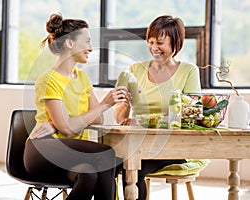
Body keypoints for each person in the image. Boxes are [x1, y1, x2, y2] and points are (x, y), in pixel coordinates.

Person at [23, 13, 130, 200]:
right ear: (69, 43)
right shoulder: (49, 80)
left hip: (71, 153)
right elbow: (66, 130)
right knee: (106, 153)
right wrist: (103, 104)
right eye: (87, 41)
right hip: (43, 149)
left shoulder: (82, 77)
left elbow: (98, 119)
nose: (90, 48)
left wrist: (65, 123)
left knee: (88, 174)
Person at [114, 15, 201, 200]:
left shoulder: (188, 71)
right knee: (106, 165)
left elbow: (190, 117)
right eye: (151, 41)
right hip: (138, 144)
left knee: (134, 168)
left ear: (175, 43)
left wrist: (144, 122)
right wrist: (126, 104)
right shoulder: (134, 70)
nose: (154, 47)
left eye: (160, 42)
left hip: (173, 145)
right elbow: (119, 117)